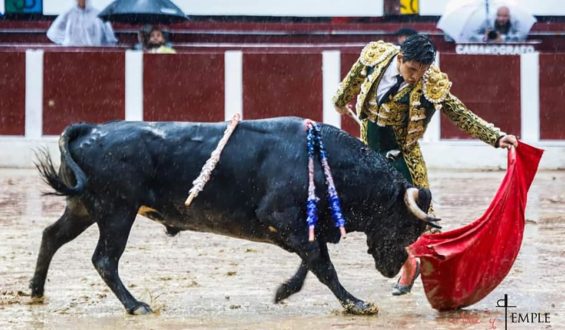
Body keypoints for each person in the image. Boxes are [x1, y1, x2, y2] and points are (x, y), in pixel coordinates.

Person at [332, 34, 517, 295]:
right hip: (370, 151)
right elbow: (352, 82)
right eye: (411, 69)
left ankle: (432, 272)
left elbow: (460, 113)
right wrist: (340, 101)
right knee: (374, 212)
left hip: (403, 154)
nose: (415, 77)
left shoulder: (430, 83)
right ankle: (409, 263)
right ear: (400, 59)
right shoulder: (376, 57)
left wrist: (496, 137)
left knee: (421, 215)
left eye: (422, 71)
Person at [46, 0, 117, 46]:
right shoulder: (68, 14)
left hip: (94, 55)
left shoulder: (97, 14)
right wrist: (66, 43)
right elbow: (52, 32)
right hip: (71, 56)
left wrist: (101, 49)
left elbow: (110, 39)